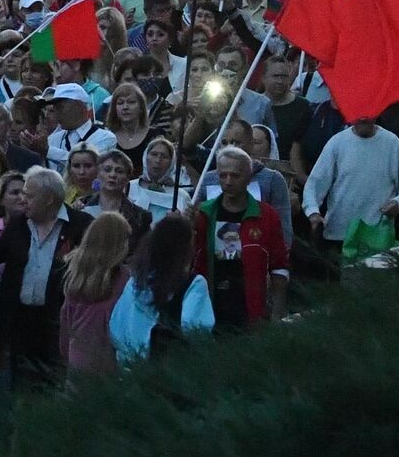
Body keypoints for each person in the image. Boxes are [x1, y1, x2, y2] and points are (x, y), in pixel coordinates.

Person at [0, 166, 92, 388]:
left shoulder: (80, 225)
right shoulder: (19, 223)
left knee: (54, 387)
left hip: (58, 323)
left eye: (29, 195)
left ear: (49, 199)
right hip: (20, 322)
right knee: (21, 389)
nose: (23, 200)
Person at [195, 146, 290, 326]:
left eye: (235, 175)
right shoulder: (204, 214)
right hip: (209, 305)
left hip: (250, 307)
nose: (228, 181)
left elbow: (280, 266)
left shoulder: (267, 215)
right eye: (223, 175)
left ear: (248, 177)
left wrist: (277, 313)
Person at [108, 214, 213, 364]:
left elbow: (116, 330)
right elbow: (197, 334)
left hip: (131, 374)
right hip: (171, 375)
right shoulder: (193, 284)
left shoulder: (136, 281)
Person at [58, 210, 131, 377]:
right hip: (111, 369)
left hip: (78, 364)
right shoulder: (125, 281)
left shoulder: (76, 280)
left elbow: (64, 332)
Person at [44, 83, 116, 171]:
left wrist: (48, 151)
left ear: (79, 107)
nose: (56, 113)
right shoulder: (52, 140)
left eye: (60, 107)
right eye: (54, 109)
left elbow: (88, 165)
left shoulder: (105, 138)